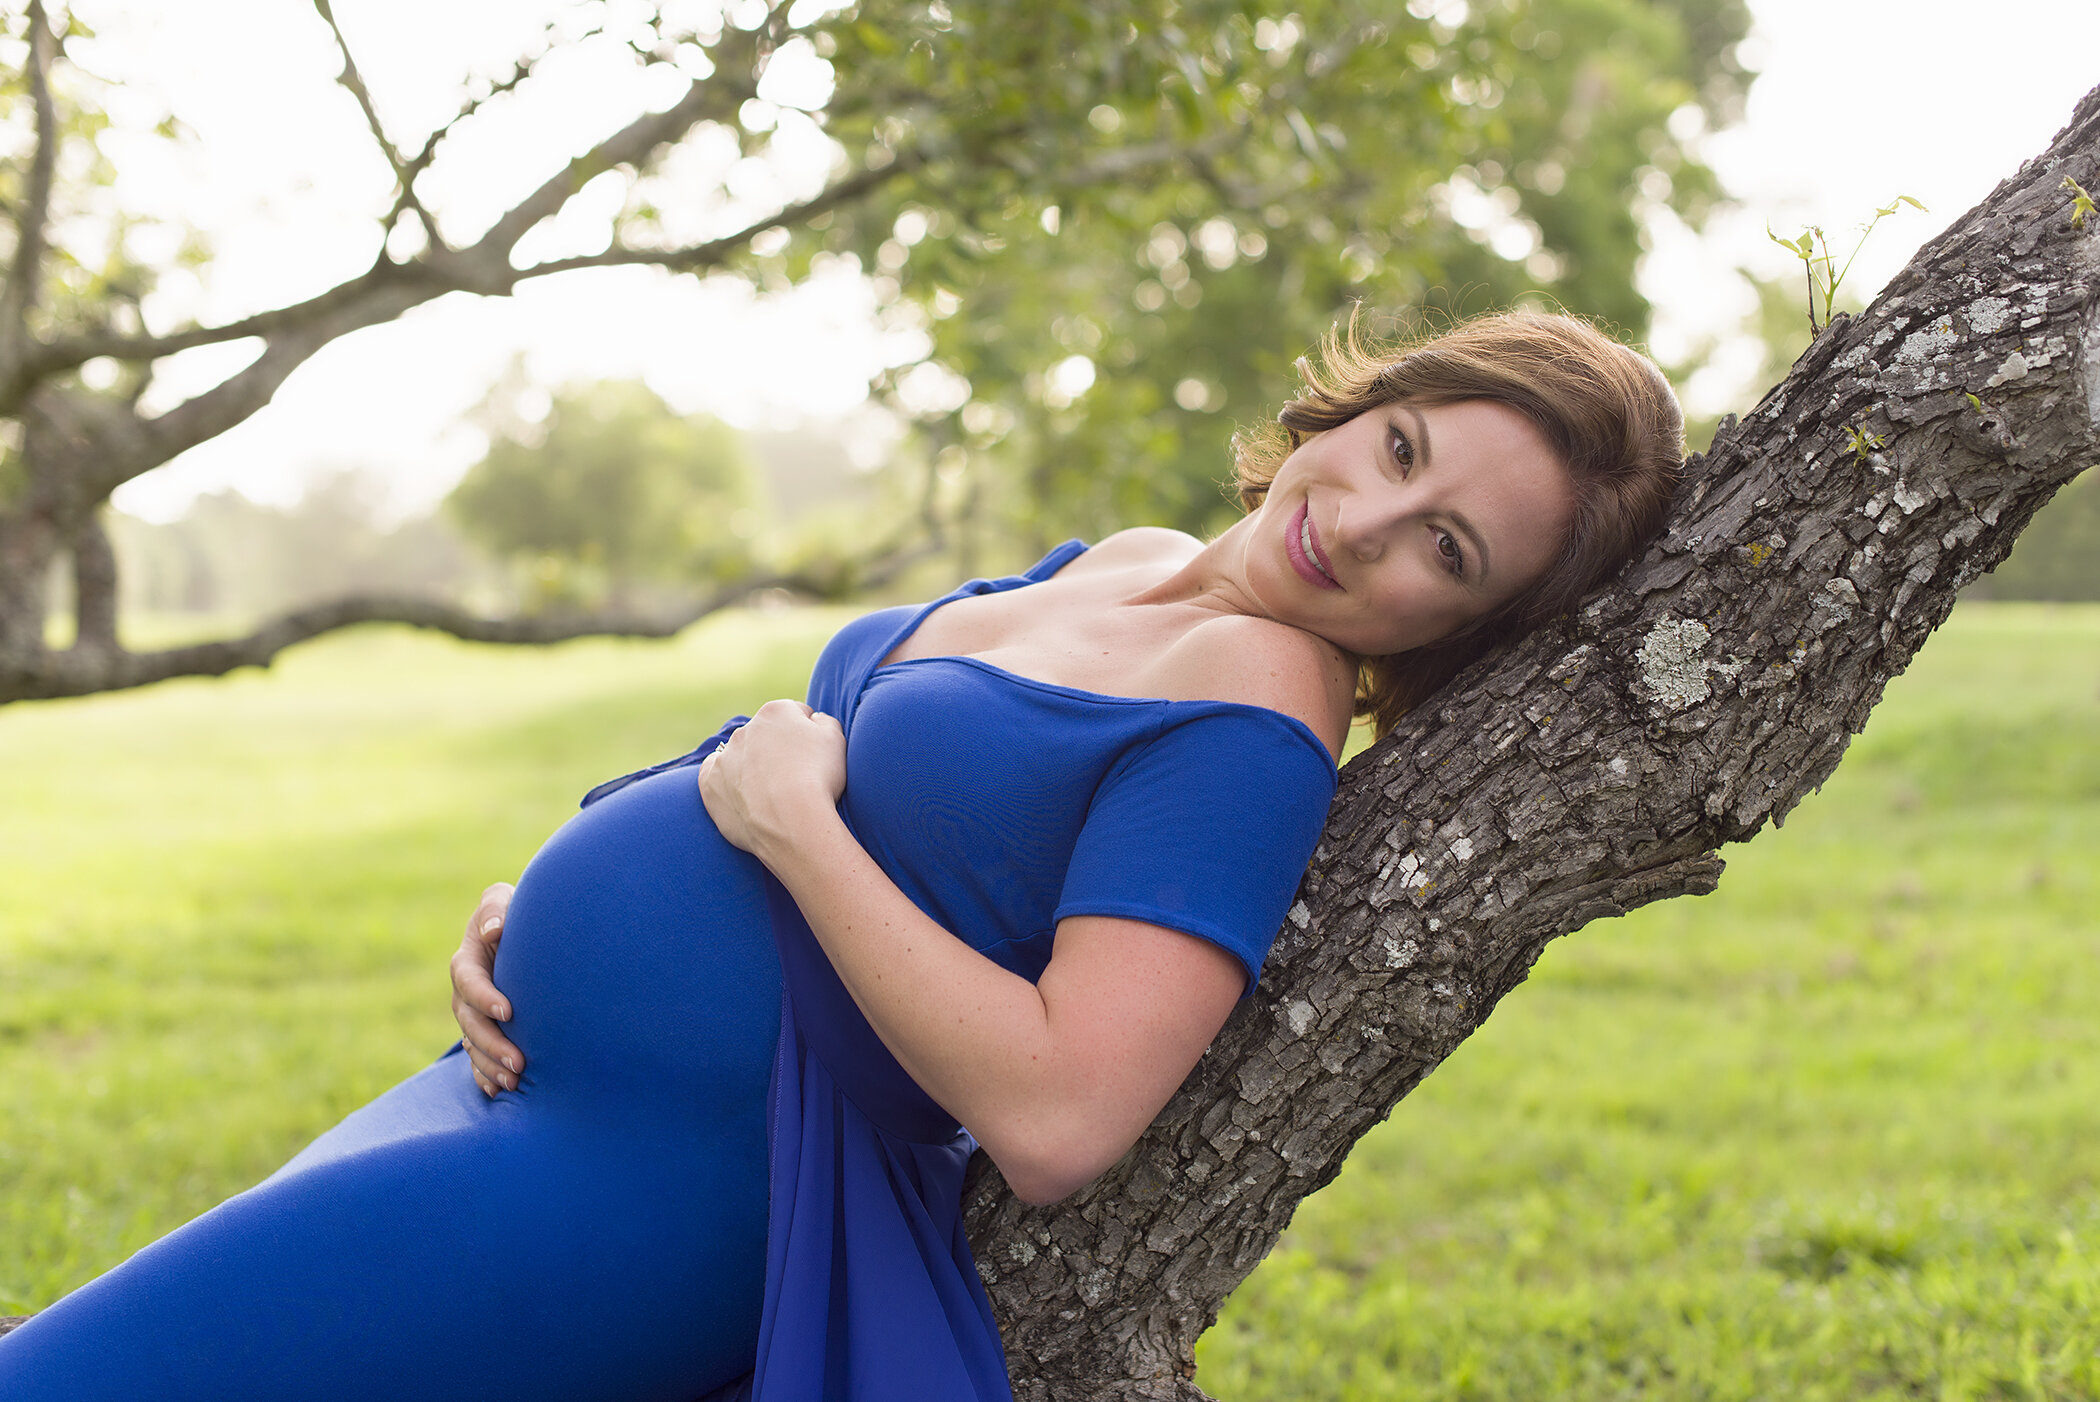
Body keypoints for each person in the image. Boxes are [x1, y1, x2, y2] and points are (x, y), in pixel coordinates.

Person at [0, 309, 1684, 1402]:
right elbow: (857, 776)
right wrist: (553, 901)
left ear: (1462, 630)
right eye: (1400, 452)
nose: (1365, 523)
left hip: (663, 1183)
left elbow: (1057, 1114)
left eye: (1443, 550)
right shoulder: (1147, 559)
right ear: (1368, 398)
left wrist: (795, 838)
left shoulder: (1255, 719)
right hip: (516, 1079)